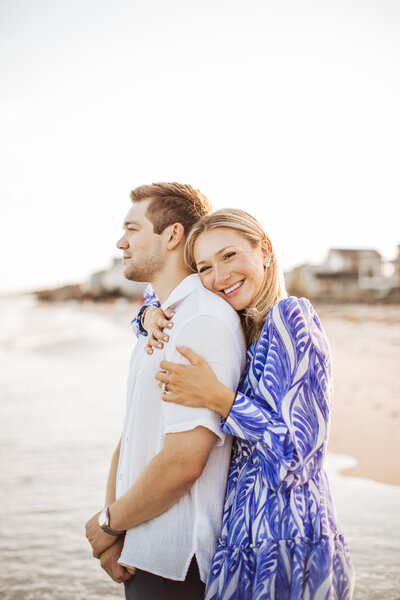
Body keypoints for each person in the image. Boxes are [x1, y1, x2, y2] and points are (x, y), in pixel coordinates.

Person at [139, 208, 355, 599]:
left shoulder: (292, 319)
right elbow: (158, 289)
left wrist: (217, 397)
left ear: (265, 251)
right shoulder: (245, 328)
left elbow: (297, 457)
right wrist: (149, 313)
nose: (219, 277)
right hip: (240, 541)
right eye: (205, 267)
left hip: (287, 542)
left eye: (229, 256)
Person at [85, 184, 247, 600]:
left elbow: (184, 461)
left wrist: (107, 523)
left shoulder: (202, 322)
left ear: (172, 235)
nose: (121, 242)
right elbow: (132, 429)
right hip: (142, 543)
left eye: (132, 229)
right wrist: (115, 527)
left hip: (178, 560)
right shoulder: (158, 319)